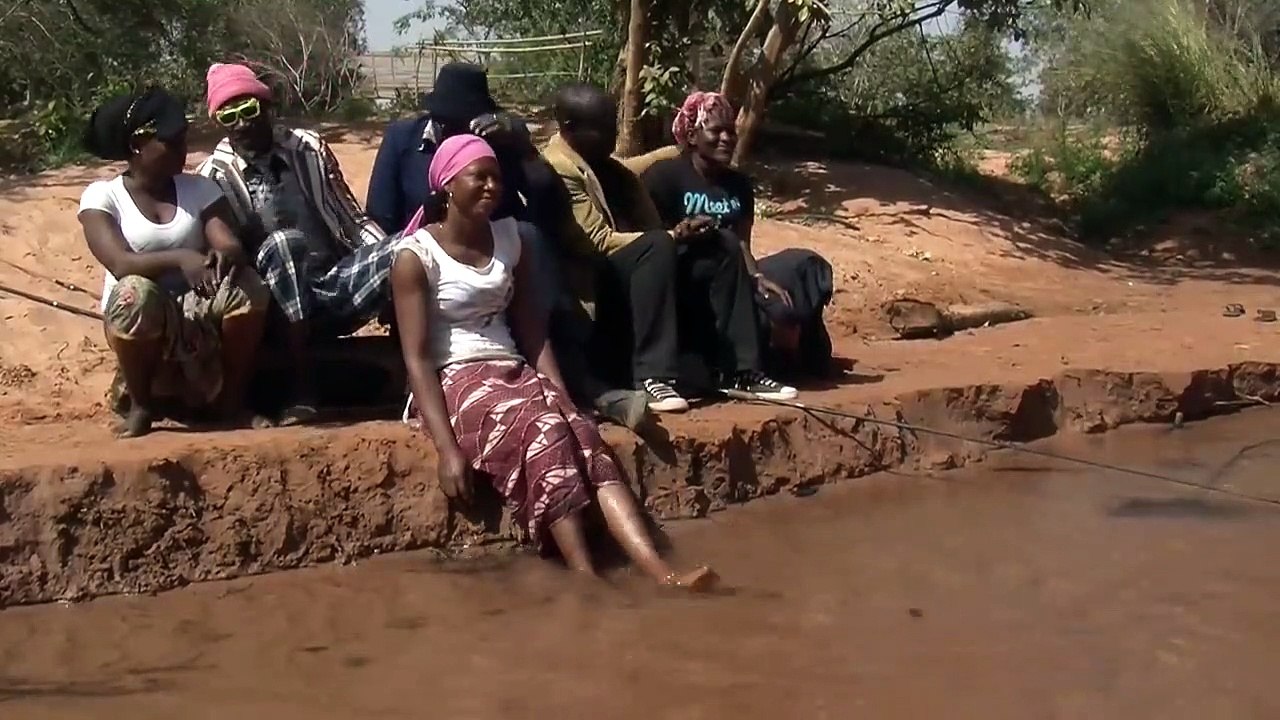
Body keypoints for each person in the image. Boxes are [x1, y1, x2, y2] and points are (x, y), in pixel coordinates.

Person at [390, 134, 716, 589]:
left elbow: (530, 330)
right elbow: (418, 358)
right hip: (455, 378)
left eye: (496, 178)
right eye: (478, 177)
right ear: (446, 184)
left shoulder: (511, 239)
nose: (491, 187)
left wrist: (561, 397)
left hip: (510, 366)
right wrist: (447, 450)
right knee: (542, 433)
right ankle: (586, 578)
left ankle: (661, 573)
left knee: (581, 433)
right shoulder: (414, 257)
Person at [370, 63, 650, 429]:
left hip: (496, 270)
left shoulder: (494, 147)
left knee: (530, 240)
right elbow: (379, 217)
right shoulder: (402, 140)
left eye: (469, 125)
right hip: (428, 271)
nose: (462, 137)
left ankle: (585, 387)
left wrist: (522, 150)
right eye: (451, 125)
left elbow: (547, 203)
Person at [540, 84, 797, 411]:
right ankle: (651, 377)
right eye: (600, 129)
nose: (611, 138)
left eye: (612, 127)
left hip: (635, 264)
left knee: (722, 243)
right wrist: (672, 236)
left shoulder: (604, 164)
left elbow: (637, 175)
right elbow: (598, 241)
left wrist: (683, 230)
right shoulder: (559, 167)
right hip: (592, 283)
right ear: (569, 128)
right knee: (659, 243)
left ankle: (739, 371)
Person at [196, 63, 394, 425]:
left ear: (267, 107)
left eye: (249, 111)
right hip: (274, 308)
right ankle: (301, 387)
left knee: (409, 250)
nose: (242, 124)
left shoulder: (308, 147)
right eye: (230, 116)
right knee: (286, 245)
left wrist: (390, 263)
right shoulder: (213, 175)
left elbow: (350, 218)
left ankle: (418, 373)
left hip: (333, 286)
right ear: (219, 122)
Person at [78, 88, 270, 438]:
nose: (183, 148)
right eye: (171, 141)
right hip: (141, 315)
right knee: (133, 293)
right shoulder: (102, 196)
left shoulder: (199, 188)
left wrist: (224, 255)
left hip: (197, 309)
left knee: (248, 286)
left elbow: (226, 240)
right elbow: (121, 264)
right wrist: (182, 258)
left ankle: (230, 400)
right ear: (138, 145)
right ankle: (141, 406)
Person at [643, 91, 836, 380]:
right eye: (716, 131)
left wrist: (756, 277)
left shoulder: (739, 184)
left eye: (731, 131)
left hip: (735, 271)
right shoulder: (663, 177)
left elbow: (742, 241)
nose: (727, 138)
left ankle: (800, 350)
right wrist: (679, 234)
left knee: (802, 271)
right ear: (693, 136)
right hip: (688, 278)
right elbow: (649, 243)